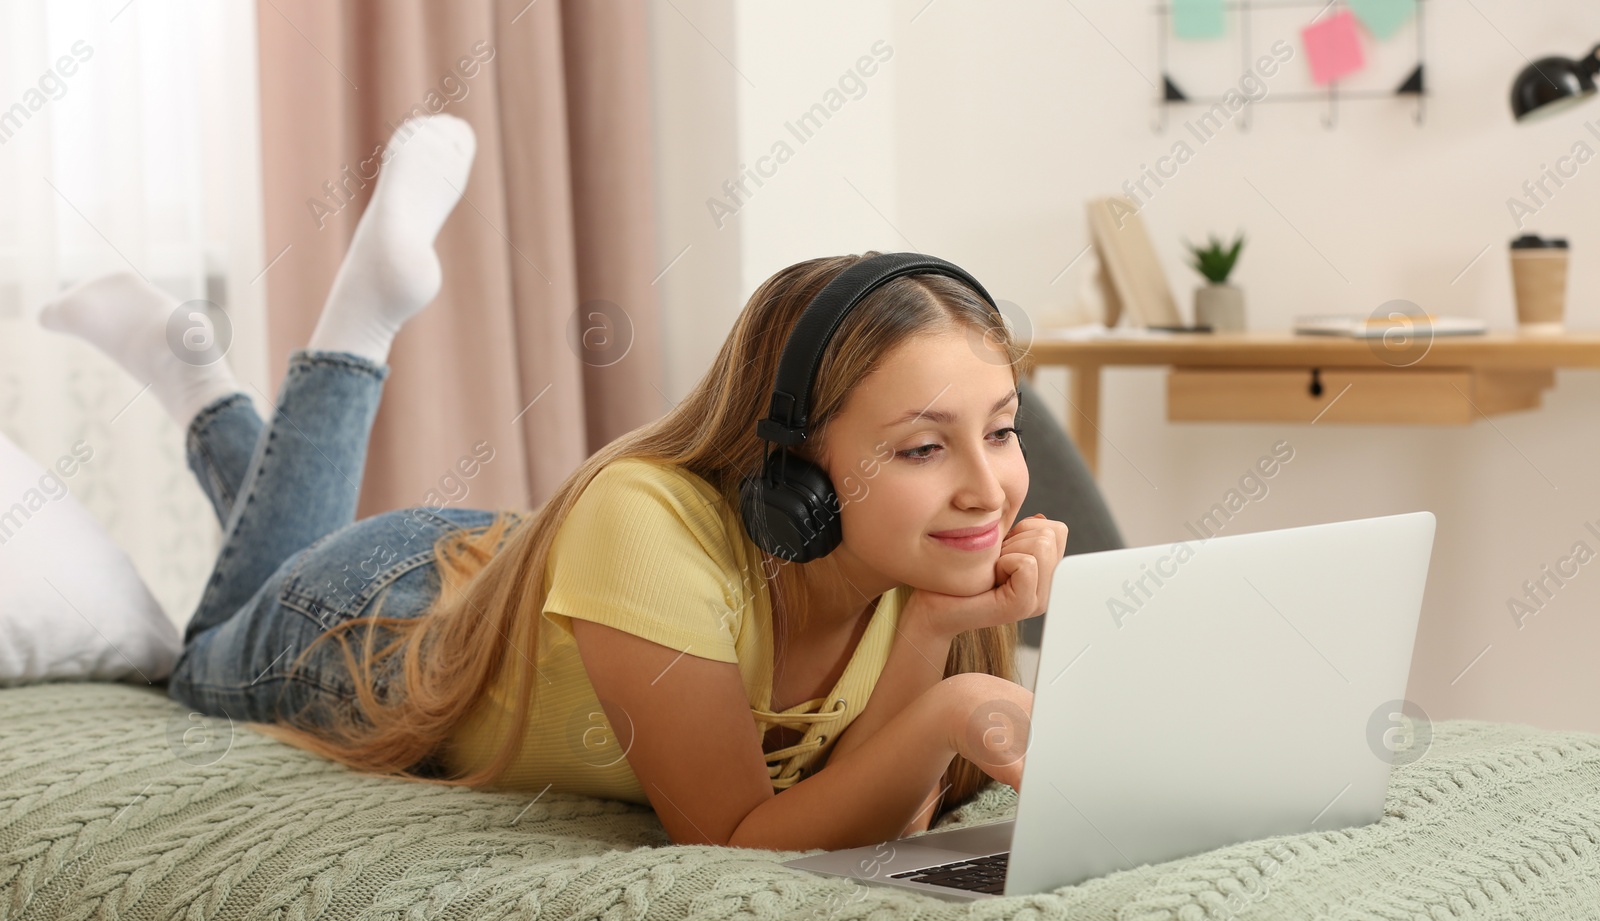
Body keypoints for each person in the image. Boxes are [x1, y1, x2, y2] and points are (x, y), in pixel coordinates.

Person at [40, 113, 1069, 854]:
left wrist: (936, 634)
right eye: (924, 447)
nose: (989, 488)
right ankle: (350, 333)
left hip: (511, 568)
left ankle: (200, 386)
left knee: (243, 572)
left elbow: (873, 814)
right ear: (791, 462)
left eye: (1001, 430)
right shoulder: (645, 517)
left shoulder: (907, 567)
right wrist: (952, 708)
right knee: (195, 665)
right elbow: (738, 833)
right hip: (382, 617)